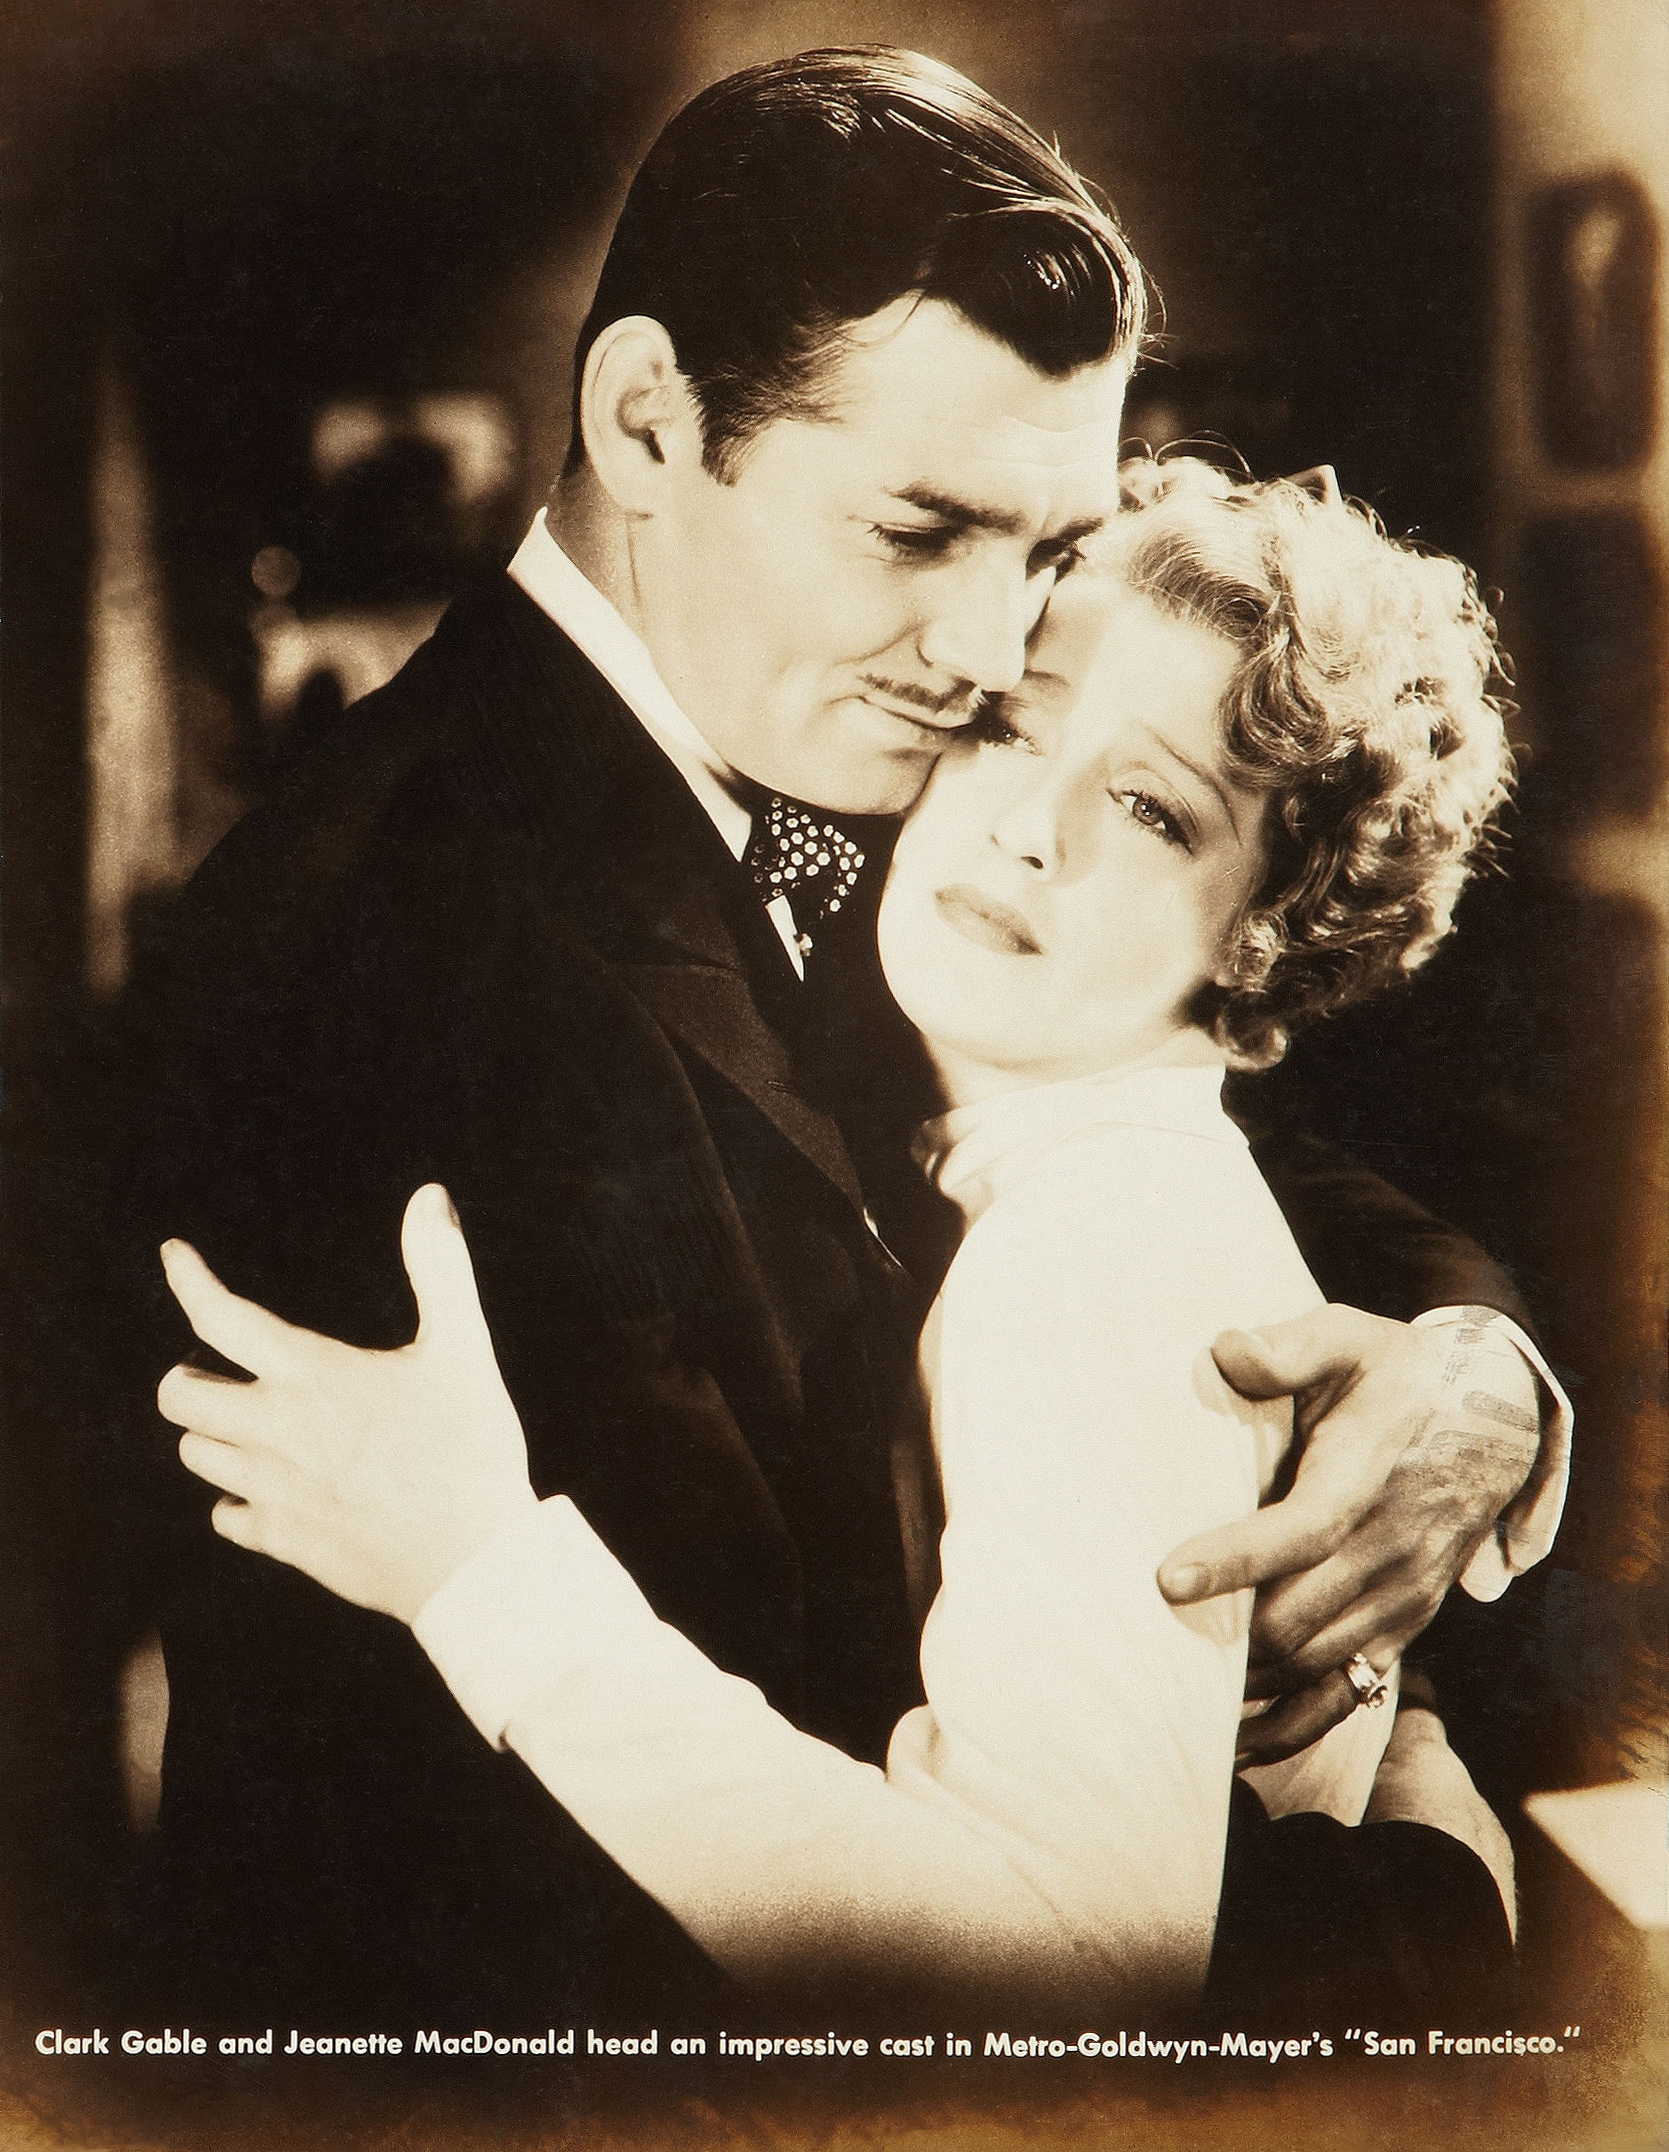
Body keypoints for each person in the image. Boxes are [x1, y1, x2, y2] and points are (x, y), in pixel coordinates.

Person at [116, 51, 1564, 2027]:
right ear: (645, 420)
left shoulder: (896, 780)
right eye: (916, 527)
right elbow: (509, 1888)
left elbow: (1183, 1145)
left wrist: (1478, 1375)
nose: (987, 653)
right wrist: (1403, 1909)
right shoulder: (364, 942)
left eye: (1043, 551)